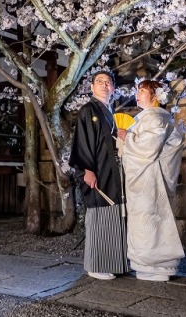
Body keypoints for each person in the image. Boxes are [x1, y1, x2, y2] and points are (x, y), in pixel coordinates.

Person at [122, 80, 186, 282]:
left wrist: (126, 138)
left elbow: (148, 150)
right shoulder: (152, 118)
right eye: (137, 90)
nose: (137, 94)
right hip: (146, 178)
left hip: (149, 179)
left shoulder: (156, 119)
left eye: (142, 91)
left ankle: (157, 265)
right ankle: (149, 265)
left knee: (150, 220)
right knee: (148, 221)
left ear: (155, 96)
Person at [69, 70, 128, 280]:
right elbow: (83, 141)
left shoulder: (108, 111)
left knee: (112, 213)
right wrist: (87, 169)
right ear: (92, 87)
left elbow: (108, 142)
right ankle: (96, 265)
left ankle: (112, 262)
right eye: (99, 81)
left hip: (110, 169)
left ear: (113, 88)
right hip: (96, 169)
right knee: (99, 213)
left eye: (108, 82)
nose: (104, 85)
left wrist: (120, 136)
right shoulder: (88, 110)